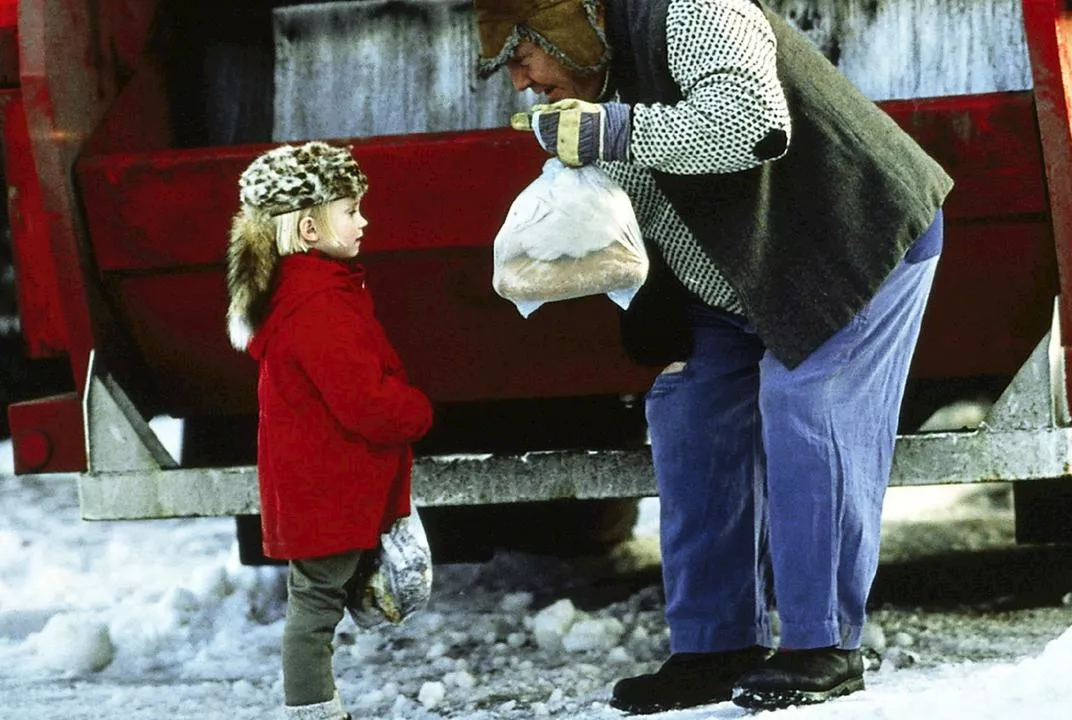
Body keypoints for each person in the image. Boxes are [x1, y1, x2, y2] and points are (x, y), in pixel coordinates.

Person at [471, 0, 952, 713]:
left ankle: (823, 645)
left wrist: (617, 130)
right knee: (687, 412)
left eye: (521, 55)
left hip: (848, 242)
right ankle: (715, 645)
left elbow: (751, 124)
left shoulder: (692, 9)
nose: (521, 82)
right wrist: (652, 298)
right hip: (735, 274)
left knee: (805, 408)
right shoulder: (587, 95)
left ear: (562, 24)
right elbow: (646, 206)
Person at [225, 141, 435, 720]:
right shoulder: (318, 302)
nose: (363, 220)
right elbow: (363, 400)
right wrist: (415, 410)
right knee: (315, 607)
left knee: (317, 600)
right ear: (310, 227)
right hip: (329, 484)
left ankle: (315, 705)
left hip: (321, 479)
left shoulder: (307, 292)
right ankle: (312, 708)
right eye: (351, 210)